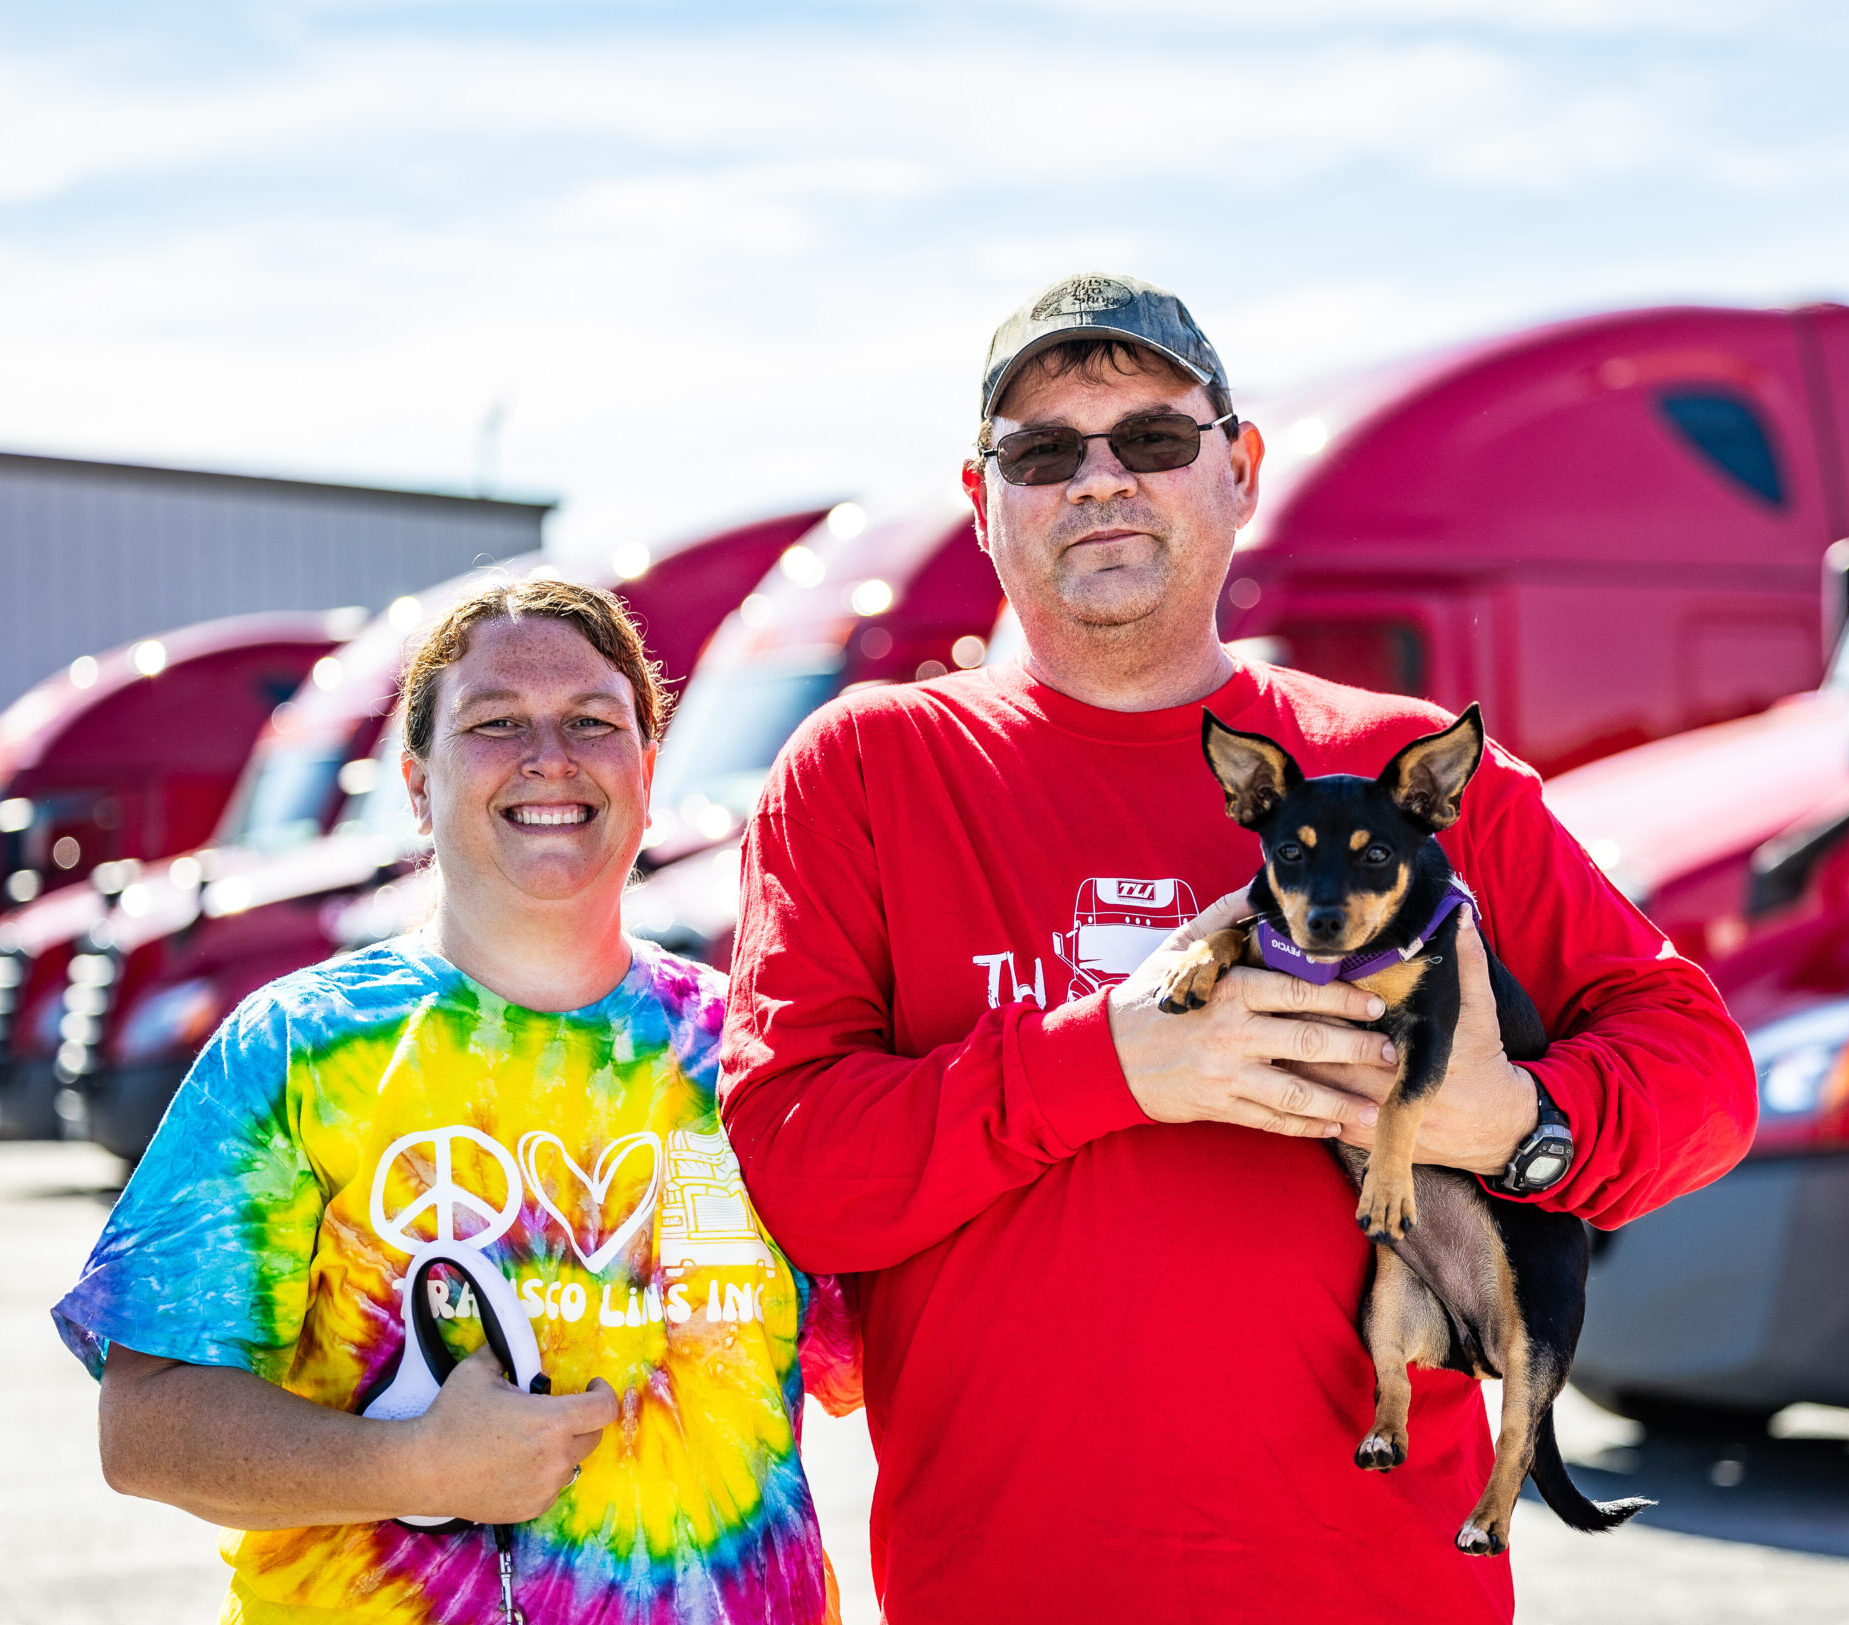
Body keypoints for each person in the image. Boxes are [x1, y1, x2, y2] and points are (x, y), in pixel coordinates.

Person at [718, 274, 1758, 1624]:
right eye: (1041, 452)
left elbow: (1700, 1080)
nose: (1098, 482)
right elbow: (794, 1171)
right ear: (981, 504)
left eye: (1149, 439)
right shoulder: (868, 767)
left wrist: (1515, 1123)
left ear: (1237, 468)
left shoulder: (1407, 769)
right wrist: (1110, 1064)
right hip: (1004, 1588)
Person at [56, 579, 850, 1625]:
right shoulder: (300, 1048)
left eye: (592, 721)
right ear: (418, 784)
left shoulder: (752, 1051)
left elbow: (900, 1353)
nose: (549, 755)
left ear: (648, 773)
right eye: (494, 723)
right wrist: (414, 1466)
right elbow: (147, 1429)